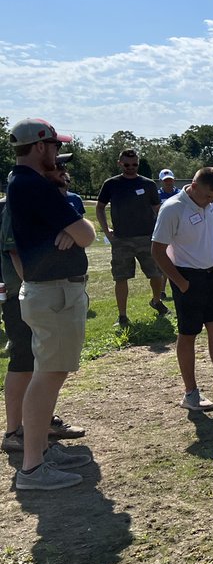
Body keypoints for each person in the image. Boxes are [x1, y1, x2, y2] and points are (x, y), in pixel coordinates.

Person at [5, 118, 97, 490]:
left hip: (51, 291)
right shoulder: (33, 185)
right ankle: (32, 468)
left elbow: (76, 233)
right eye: (55, 147)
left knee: (48, 372)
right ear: (41, 146)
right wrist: (71, 228)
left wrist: (66, 222)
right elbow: (87, 234)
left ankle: (40, 449)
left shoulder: (27, 183)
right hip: (53, 293)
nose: (59, 155)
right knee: (48, 376)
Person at [1, 164, 87, 461]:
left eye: (65, 172)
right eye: (58, 170)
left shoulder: (51, 198)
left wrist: (70, 230)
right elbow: (15, 251)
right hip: (25, 292)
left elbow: (77, 232)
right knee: (25, 362)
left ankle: (42, 436)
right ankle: (16, 435)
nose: (63, 173)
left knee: (44, 367)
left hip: (43, 292)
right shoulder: (21, 198)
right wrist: (32, 285)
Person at [152, 168, 213, 412]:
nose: (211, 201)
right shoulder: (173, 208)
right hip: (187, 277)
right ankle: (191, 393)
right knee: (188, 334)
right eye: (208, 196)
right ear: (194, 186)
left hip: (212, 275)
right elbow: (157, 250)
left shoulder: (211, 204)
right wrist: (181, 283)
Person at [97, 148, 169, 327]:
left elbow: (158, 210)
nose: (131, 167)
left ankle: (156, 301)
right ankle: (122, 316)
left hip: (147, 238)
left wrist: (160, 233)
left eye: (134, 164)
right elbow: (100, 207)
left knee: (156, 275)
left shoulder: (148, 184)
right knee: (121, 277)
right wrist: (107, 231)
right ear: (119, 163)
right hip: (121, 239)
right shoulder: (111, 184)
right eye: (126, 164)